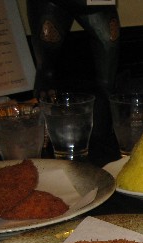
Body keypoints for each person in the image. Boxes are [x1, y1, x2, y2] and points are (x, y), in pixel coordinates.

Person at [26, 0, 121, 139]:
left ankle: (105, 130)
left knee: (107, 81)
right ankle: (47, 133)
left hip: (98, 3)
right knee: (46, 78)